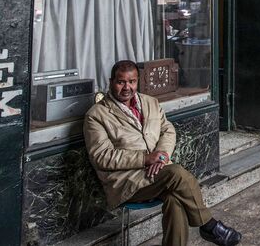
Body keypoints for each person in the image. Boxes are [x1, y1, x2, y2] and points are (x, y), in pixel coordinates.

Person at [84, 60, 241, 246]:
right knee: (176, 174)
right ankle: (209, 225)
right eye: (121, 82)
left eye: (132, 82)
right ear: (111, 82)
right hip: (127, 183)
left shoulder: (150, 102)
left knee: (175, 197)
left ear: (138, 81)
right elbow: (102, 157)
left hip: (158, 174)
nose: (127, 87)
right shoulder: (96, 115)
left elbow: (168, 130)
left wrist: (162, 155)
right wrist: (145, 158)